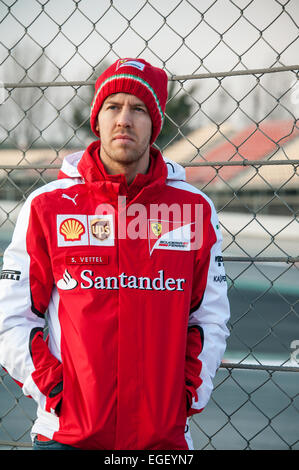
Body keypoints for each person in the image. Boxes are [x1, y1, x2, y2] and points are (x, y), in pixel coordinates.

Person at [0, 58, 230, 451]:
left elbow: (209, 317)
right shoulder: (48, 206)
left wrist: (186, 395)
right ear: (98, 119)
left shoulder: (194, 210)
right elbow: (12, 316)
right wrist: (56, 392)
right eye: (113, 106)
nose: (124, 119)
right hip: (67, 435)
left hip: (162, 440)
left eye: (138, 108)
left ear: (155, 123)